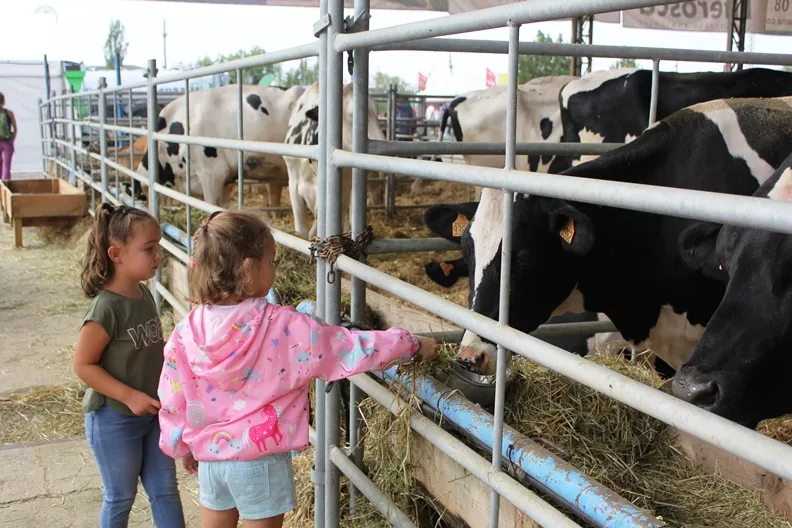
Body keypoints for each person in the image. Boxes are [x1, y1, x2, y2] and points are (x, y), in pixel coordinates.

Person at [157, 210, 438, 528]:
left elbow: (172, 394)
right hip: (259, 460)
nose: (274, 269)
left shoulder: (185, 330)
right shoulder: (281, 326)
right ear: (248, 269)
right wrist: (409, 344)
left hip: (210, 457)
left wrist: (181, 443)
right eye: (271, 262)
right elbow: (344, 347)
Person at [74, 203, 186, 528]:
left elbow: (150, 348)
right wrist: (129, 396)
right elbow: (83, 364)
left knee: (165, 490)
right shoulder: (106, 309)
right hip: (114, 419)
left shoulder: (143, 294)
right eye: (149, 248)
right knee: (120, 497)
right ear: (116, 253)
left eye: (158, 248)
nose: (157, 256)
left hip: (152, 414)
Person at [0, 92, 17, 181]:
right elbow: (15, 128)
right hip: (7, 141)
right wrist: (12, 139)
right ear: (3, 101)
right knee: (7, 164)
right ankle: (5, 183)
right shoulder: (9, 113)